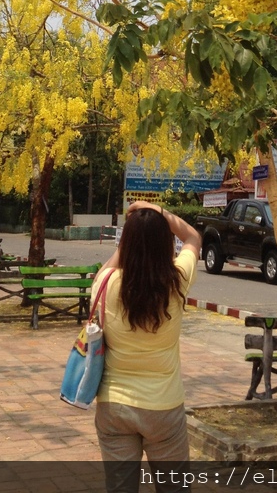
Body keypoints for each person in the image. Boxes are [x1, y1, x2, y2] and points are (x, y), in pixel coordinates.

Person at [91, 199, 202, 492]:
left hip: (114, 407)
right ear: (165, 244)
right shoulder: (176, 283)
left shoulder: (104, 283)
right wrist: (159, 212)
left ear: (125, 243)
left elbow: (112, 266)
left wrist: (131, 238)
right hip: (164, 408)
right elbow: (192, 237)